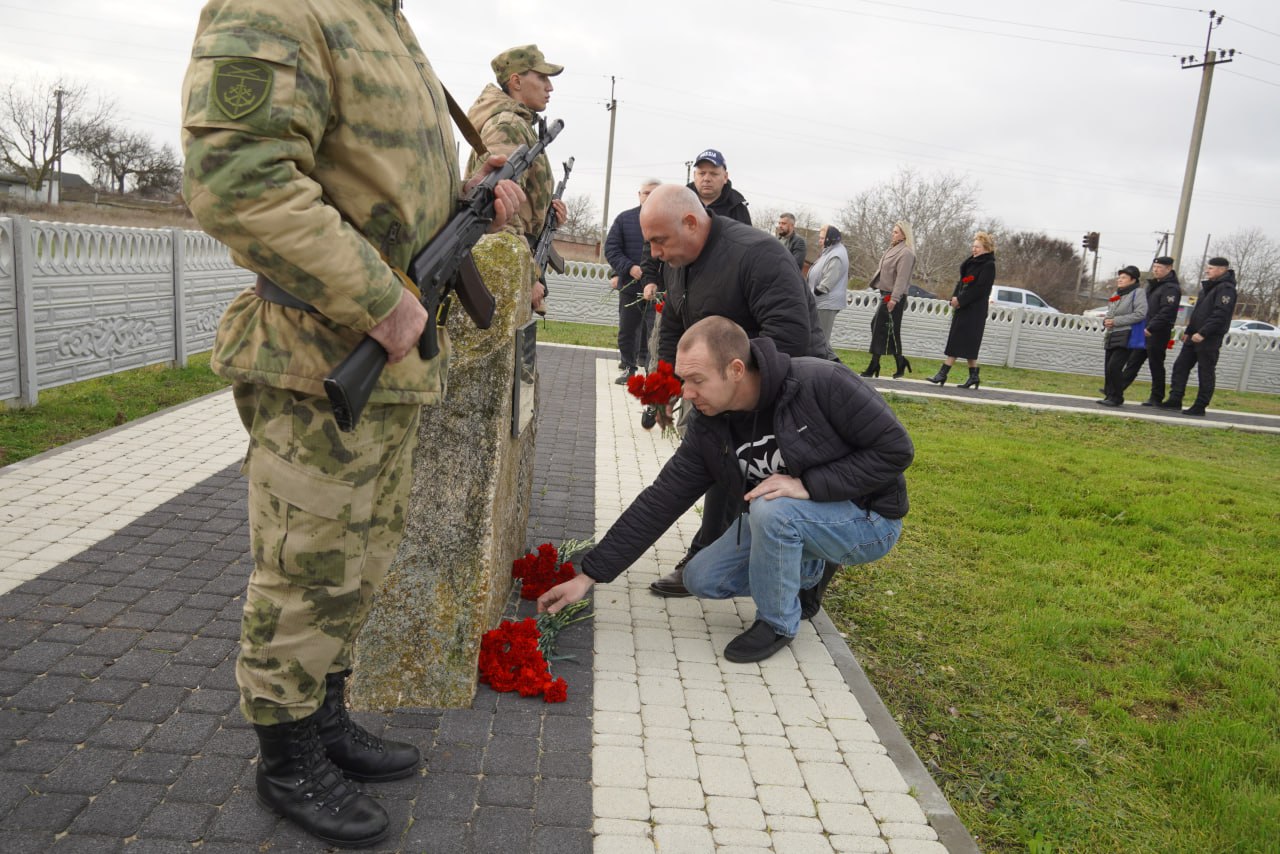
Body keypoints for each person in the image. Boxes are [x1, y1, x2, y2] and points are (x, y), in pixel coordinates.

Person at [181, 2, 525, 847]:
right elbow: (239, 180)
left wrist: (476, 187)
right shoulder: (276, 8)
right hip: (316, 354)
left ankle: (325, 719)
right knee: (307, 567)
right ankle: (287, 756)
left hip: (390, 362)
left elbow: (380, 186)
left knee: (362, 558)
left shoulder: (384, 21)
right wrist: (379, 301)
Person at [537, 317, 912, 663]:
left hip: (868, 518)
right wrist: (589, 576)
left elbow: (896, 450)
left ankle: (778, 623)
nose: (687, 392)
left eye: (697, 381)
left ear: (735, 370)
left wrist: (808, 485)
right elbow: (660, 500)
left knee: (771, 508)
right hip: (791, 515)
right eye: (684, 380)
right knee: (702, 578)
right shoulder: (709, 427)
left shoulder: (820, 383)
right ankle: (806, 568)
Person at [639, 184, 833, 598]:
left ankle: (809, 574)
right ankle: (713, 551)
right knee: (720, 463)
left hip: (793, 390)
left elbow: (790, 335)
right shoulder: (679, 262)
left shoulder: (757, 255)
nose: (655, 253)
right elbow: (676, 326)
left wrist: (733, 393)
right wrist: (669, 383)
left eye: (660, 240)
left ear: (691, 222)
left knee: (776, 476)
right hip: (734, 385)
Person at [466, 44, 568, 314]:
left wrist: (546, 213)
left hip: (509, 258)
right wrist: (529, 274)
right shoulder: (509, 126)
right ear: (516, 81)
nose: (550, 87)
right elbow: (500, 208)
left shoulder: (520, 125)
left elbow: (520, 203)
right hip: (503, 262)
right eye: (542, 78)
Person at [1158, 257, 1238, 416]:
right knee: (1180, 366)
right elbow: (1198, 314)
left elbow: (1220, 314)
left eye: (1211, 268)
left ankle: (1200, 405)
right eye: (1207, 268)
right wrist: (1189, 331)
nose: (1207, 271)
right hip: (1194, 336)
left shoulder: (1226, 289)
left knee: (1205, 371)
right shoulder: (1207, 288)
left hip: (1209, 338)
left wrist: (1203, 332)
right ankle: (1175, 399)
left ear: (1222, 270)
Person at [605, 180, 661, 384]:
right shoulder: (625, 219)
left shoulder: (669, 220)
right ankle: (629, 368)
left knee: (654, 332)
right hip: (631, 287)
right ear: (639, 194)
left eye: (654, 193)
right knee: (627, 330)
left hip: (657, 290)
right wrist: (628, 267)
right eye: (646, 192)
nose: (649, 196)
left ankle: (650, 372)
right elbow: (611, 249)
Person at [927, 232, 997, 389]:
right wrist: (954, 298)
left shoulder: (988, 266)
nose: (974, 249)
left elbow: (980, 289)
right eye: (973, 246)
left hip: (974, 310)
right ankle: (974, 376)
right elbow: (962, 283)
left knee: (958, 340)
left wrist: (961, 300)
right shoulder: (971, 263)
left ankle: (942, 374)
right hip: (963, 307)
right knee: (967, 344)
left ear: (986, 248)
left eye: (977, 247)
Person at [862, 221, 917, 378]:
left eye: (896, 232)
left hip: (894, 296)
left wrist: (894, 299)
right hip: (885, 293)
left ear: (904, 234)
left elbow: (902, 278)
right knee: (887, 329)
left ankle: (874, 364)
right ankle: (900, 361)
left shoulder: (906, 253)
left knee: (880, 327)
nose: (892, 234)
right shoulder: (893, 249)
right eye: (893, 231)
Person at [1129, 256, 1182, 406]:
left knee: (1156, 364)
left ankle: (1157, 396)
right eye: (1154, 267)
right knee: (1133, 361)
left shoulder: (1171, 288)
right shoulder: (1153, 285)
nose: (1156, 270)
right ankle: (1115, 391)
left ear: (1169, 269)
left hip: (1158, 332)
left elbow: (1167, 312)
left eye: (1159, 268)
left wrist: (1151, 327)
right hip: (1144, 330)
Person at [1098, 265, 1148, 407]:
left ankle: (1117, 397)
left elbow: (1140, 314)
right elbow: (1110, 311)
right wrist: (1106, 321)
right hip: (1112, 333)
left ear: (1133, 280)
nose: (1120, 280)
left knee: (1115, 366)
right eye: (1119, 277)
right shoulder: (1116, 294)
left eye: (1124, 277)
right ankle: (1109, 395)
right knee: (1108, 366)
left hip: (1127, 334)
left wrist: (1116, 321)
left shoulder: (1138, 293)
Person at [687, 148, 751, 224]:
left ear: (725, 177)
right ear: (694, 175)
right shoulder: (680, 200)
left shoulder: (737, 206)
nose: (706, 179)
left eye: (714, 174)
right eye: (702, 173)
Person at [808, 225, 849, 342]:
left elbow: (828, 282)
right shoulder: (830, 251)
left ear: (829, 238)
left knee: (821, 339)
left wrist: (814, 292)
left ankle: (829, 360)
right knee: (818, 339)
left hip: (826, 302)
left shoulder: (837, 255)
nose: (819, 241)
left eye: (822, 238)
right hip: (821, 301)